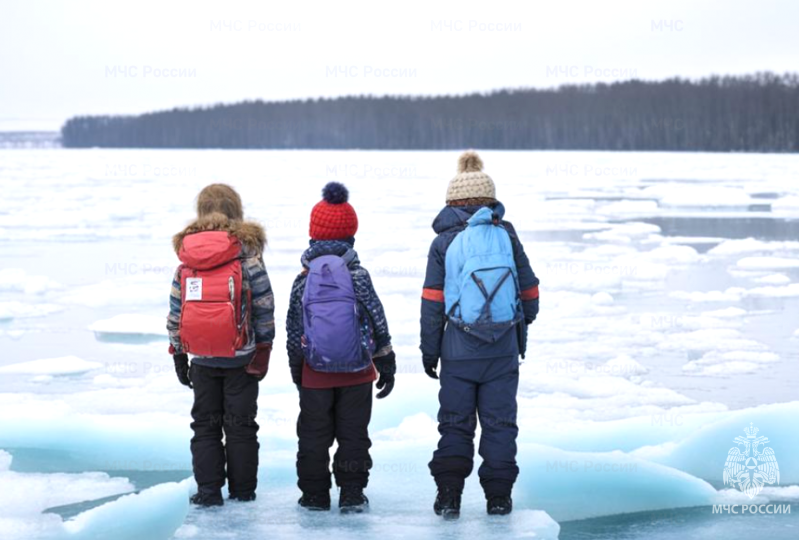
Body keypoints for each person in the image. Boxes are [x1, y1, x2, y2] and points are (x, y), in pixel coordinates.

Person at [420, 151, 539, 519]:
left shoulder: (442, 243)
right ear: (491, 201)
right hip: (502, 349)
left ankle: (449, 496)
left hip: (458, 349)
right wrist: (522, 325)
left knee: (455, 423)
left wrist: (430, 351)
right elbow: (529, 290)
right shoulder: (506, 235)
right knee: (500, 423)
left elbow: (432, 302)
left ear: (451, 202)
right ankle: (499, 498)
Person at [286, 181, 396, 514]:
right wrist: (386, 361)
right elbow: (376, 317)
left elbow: (294, 329)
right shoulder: (358, 275)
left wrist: (297, 369)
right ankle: (351, 494)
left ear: (312, 236)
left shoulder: (303, 278)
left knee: (313, 436)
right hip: (357, 371)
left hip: (315, 372)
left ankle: (315, 496)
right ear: (351, 236)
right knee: (353, 435)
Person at [167, 183, 275, 507]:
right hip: (241, 359)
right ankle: (243, 492)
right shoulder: (248, 257)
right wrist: (263, 350)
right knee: (242, 427)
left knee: (204, 426)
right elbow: (265, 307)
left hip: (202, 358)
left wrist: (179, 353)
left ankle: (209, 492)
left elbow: (176, 310)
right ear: (236, 211)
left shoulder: (187, 261)